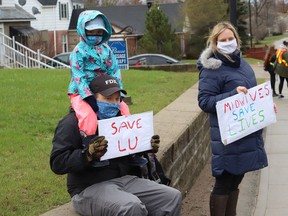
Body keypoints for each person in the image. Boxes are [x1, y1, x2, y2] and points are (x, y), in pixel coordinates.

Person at [50, 74, 182, 216]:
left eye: (117, 99)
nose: (113, 103)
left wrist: (145, 147)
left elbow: (128, 150)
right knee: (131, 206)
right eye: (107, 98)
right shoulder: (72, 122)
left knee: (172, 197)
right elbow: (57, 163)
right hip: (88, 187)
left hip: (125, 180)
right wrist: (87, 155)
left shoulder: (121, 120)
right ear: (92, 99)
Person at [197, 21, 270, 216]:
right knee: (224, 181)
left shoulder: (243, 64)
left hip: (246, 131)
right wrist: (232, 95)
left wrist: (265, 105)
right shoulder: (211, 69)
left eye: (231, 39)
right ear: (215, 43)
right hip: (227, 134)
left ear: (237, 40)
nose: (228, 42)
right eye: (223, 40)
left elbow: (252, 94)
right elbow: (204, 102)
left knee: (236, 178)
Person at [68, 10, 130, 142]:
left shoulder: (106, 50)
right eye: (91, 32)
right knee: (88, 116)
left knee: (124, 110)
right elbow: (78, 75)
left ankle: (127, 143)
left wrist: (118, 91)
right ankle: (89, 144)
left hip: (105, 88)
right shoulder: (78, 51)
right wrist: (88, 97)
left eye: (99, 32)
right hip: (80, 91)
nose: (95, 36)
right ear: (83, 30)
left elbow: (114, 70)